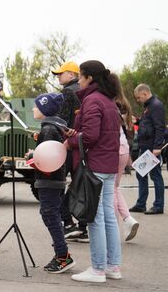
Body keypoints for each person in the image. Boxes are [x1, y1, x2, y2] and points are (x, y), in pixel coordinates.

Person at [65, 60, 121, 283]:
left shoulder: (91, 100)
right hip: (108, 165)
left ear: (89, 78)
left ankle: (98, 269)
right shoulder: (108, 101)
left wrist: (71, 139)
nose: (78, 80)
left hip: (95, 166)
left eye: (80, 76)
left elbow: (90, 136)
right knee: (108, 216)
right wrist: (77, 133)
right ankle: (113, 267)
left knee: (95, 217)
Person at [30, 92, 75, 274]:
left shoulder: (48, 129)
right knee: (52, 214)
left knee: (49, 215)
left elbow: (48, 158)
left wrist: (33, 157)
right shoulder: (55, 127)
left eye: (37, 106)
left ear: (45, 109)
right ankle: (61, 254)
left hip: (48, 179)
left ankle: (63, 256)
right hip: (55, 179)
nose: (34, 108)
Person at [52, 61, 88, 242]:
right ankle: (82, 227)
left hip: (68, 145)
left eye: (61, 73)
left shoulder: (67, 92)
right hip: (83, 145)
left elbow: (62, 121)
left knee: (57, 184)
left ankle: (67, 222)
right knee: (80, 184)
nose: (58, 76)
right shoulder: (84, 93)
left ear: (72, 75)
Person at [129, 84, 166, 215]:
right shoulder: (149, 106)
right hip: (144, 146)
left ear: (145, 94)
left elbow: (159, 127)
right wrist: (138, 121)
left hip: (151, 147)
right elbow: (148, 124)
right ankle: (141, 204)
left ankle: (158, 205)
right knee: (141, 174)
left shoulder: (156, 105)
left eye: (139, 98)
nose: (138, 100)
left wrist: (157, 147)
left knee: (155, 175)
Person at [112, 75, 139, 241]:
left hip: (113, 148)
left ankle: (113, 227)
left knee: (109, 189)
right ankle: (128, 219)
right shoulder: (125, 104)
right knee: (114, 187)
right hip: (124, 148)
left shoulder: (112, 103)